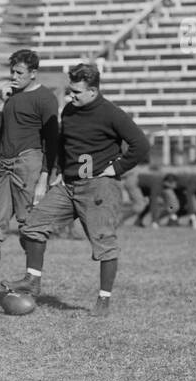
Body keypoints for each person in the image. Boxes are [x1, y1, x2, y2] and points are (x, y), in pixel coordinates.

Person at [14, 63, 149, 316]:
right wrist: (58, 173)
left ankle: (103, 301)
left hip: (99, 188)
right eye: (70, 90)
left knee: (104, 244)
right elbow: (65, 144)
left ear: (93, 91)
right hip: (68, 186)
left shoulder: (112, 113)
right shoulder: (70, 111)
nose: (71, 96)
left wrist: (115, 169)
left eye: (77, 92)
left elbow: (140, 144)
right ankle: (32, 280)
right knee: (32, 225)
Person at [0, 49, 58, 308]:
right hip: (5, 166)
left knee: (31, 226)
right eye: (12, 72)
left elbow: (52, 140)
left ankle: (32, 282)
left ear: (33, 73)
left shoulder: (45, 98)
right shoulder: (9, 95)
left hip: (30, 163)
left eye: (20, 73)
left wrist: (44, 176)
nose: (14, 77)